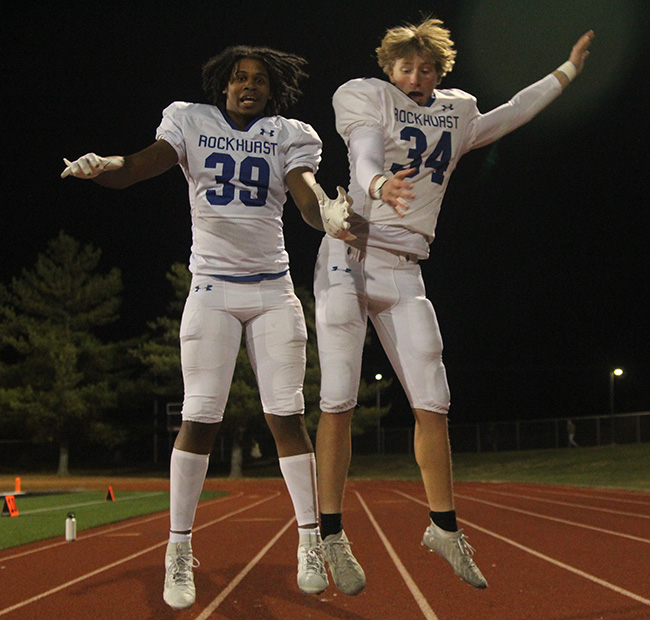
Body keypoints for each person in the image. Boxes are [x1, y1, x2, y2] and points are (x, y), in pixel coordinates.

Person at [61, 45, 352, 610]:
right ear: (223, 84)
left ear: (272, 91)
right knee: (199, 417)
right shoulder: (189, 121)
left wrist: (330, 214)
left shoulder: (288, 134)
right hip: (213, 290)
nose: (249, 86)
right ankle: (177, 550)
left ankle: (309, 541)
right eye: (240, 78)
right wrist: (105, 166)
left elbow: (306, 198)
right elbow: (141, 166)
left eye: (260, 80)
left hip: (272, 290)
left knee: (286, 415)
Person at [314, 18, 594, 594]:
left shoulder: (457, 111)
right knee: (338, 398)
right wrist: (376, 187)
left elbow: (509, 114)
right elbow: (365, 152)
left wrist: (565, 73)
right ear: (388, 69)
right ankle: (331, 534)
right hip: (349, 254)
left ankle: (443, 527)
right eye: (405, 67)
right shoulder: (366, 98)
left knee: (434, 403)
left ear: (441, 71)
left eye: (426, 67)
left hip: (407, 268)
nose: (415, 77)